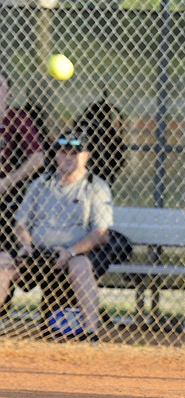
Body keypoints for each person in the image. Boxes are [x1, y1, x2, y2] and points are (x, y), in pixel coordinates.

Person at [0, 131, 114, 341]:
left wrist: (71, 252)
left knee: (80, 265)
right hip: (37, 253)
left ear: (86, 156)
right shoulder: (40, 184)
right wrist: (25, 245)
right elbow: (21, 223)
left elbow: (100, 233)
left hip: (73, 253)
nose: (68, 157)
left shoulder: (95, 186)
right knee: (3, 261)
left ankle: (90, 331)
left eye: (74, 153)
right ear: (56, 155)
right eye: (63, 152)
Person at [0, 72, 46, 255]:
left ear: (9, 92)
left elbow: (38, 157)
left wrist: (7, 182)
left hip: (6, 192)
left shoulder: (16, 118)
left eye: (1, 86)